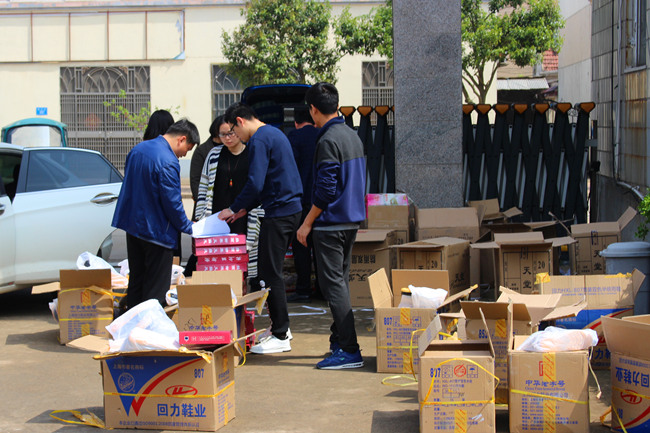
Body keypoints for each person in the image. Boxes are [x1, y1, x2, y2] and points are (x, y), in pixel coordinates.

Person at [218, 102, 303, 354]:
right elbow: (269, 182)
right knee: (270, 270)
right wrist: (245, 208)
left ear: (240, 121)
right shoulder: (274, 133)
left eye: (234, 130)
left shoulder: (259, 140)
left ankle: (281, 334)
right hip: (287, 209)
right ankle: (280, 327)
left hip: (280, 212)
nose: (236, 136)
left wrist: (234, 207)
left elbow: (255, 182)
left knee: (269, 272)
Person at [297, 82, 366, 369]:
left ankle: (349, 349)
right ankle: (340, 342)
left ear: (313, 109)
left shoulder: (327, 140)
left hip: (330, 223)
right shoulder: (351, 135)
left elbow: (325, 190)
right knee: (340, 283)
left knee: (333, 285)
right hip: (350, 220)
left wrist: (306, 223)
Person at [112, 119, 199, 310]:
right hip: (157, 232)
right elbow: (172, 203)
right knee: (155, 290)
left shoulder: (138, 149)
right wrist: (189, 227)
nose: (184, 154)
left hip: (133, 227)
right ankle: (149, 326)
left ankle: (132, 322)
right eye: (187, 149)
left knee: (137, 281)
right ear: (182, 139)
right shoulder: (168, 161)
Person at [192, 116, 264, 282]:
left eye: (231, 133)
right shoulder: (214, 154)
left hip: (244, 214)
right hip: (218, 216)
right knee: (218, 259)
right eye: (223, 134)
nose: (227, 138)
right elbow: (204, 186)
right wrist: (200, 215)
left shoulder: (252, 153)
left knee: (242, 258)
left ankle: (240, 290)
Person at [287, 106, 321, 303]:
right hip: (320, 201)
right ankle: (322, 289)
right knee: (319, 246)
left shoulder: (294, 137)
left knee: (301, 246)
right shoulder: (322, 135)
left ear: (296, 123)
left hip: (300, 200)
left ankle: (303, 289)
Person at [189, 117, 221, 220]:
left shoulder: (228, 149)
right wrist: (202, 202)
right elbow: (195, 180)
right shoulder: (202, 151)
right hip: (204, 205)